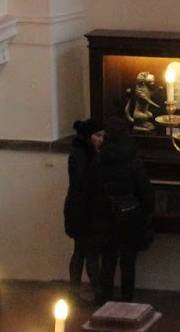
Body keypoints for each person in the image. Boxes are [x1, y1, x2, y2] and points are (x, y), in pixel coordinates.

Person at [91, 119, 154, 303]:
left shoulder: (101, 158)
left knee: (108, 261)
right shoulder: (132, 158)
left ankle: (106, 301)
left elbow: (94, 187)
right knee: (128, 262)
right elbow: (145, 190)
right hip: (130, 214)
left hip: (107, 213)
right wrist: (145, 212)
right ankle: (127, 302)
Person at [62, 118, 104, 304]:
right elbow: (85, 184)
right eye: (98, 136)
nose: (101, 140)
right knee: (88, 253)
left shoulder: (81, 153)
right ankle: (98, 292)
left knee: (80, 251)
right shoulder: (84, 156)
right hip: (85, 211)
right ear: (89, 137)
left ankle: (76, 291)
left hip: (80, 210)